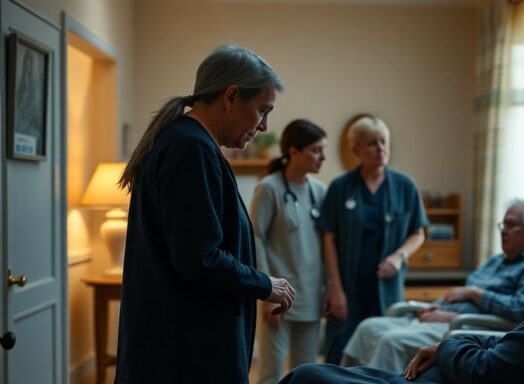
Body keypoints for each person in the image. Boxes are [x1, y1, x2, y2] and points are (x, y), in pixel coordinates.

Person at [114, 45, 295, 384]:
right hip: (186, 356)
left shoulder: (188, 142)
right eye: (262, 110)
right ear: (230, 97)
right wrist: (264, 283)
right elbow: (200, 258)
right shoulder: (190, 148)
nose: (264, 125)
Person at [278, 227, 524, 384]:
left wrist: (446, 346)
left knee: (307, 377)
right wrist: (453, 347)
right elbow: (503, 352)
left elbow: (484, 370)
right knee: (318, 373)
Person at [342, 199, 524, 372]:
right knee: (368, 327)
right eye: (503, 225)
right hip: (442, 318)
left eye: (512, 225)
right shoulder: (497, 261)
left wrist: (473, 294)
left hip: (469, 327)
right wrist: (435, 307)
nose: (504, 231)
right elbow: (458, 296)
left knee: (392, 341)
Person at [319, 115, 429, 364]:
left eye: (383, 141)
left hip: (386, 292)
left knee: (381, 358)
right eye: (372, 143)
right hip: (348, 291)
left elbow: (418, 233)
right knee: (339, 358)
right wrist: (335, 289)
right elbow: (329, 238)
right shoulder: (340, 187)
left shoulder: (405, 186)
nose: (380, 148)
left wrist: (399, 256)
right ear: (356, 149)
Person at [250, 119, 328, 383]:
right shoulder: (269, 188)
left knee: (307, 374)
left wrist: (327, 287)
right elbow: (256, 239)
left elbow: (327, 246)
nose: (322, 157)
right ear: (293, 151)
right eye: (316, 150)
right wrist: (267, 292)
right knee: (271, 374)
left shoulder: (320, 191)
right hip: (279, 298)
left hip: (311, 297)